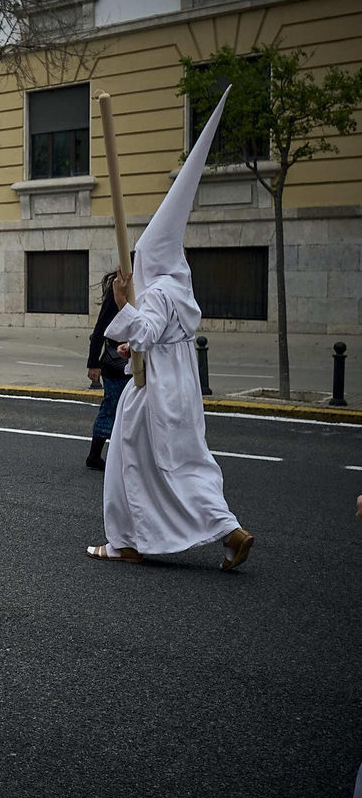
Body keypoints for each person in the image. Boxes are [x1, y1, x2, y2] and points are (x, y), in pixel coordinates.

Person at [87, 88, 254, 571]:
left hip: (152, 387)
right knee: (188, 461)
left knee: (126, 458)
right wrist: (128, 333)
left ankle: (125, 542)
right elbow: (152, 336)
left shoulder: (157, 291)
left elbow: (144, 333)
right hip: (181, 386)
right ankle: (229, 530)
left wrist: (122, 304)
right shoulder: (181, 288)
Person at [85, 270, 130, 470]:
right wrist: (93, 363)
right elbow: (100, 328)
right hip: (116, 363)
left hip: (135, 361)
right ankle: (94, 455)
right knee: (111, 407)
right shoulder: (117, 295)